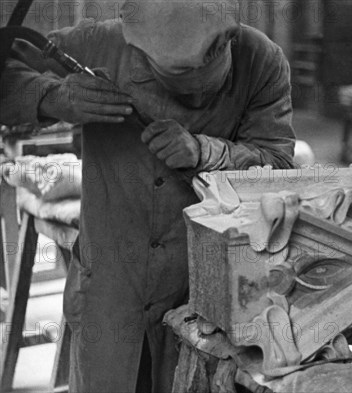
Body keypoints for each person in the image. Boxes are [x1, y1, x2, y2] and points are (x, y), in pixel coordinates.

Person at [0, 1, 295, 391]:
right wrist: (55, 98)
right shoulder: (101, 44)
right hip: (109, 291)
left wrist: (205, 151)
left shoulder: (262, 60)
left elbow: (280, 167)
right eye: (179, 76)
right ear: (138, 51)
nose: (195, 96)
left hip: (207, 298)